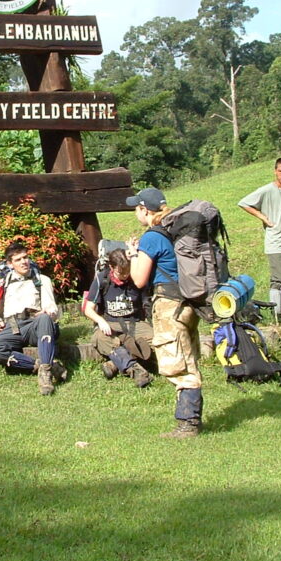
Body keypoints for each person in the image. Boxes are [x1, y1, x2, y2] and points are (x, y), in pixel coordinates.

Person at [126, 187, 204, 438]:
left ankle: (188, 423)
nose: (135, 213)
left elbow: (139, 279)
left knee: (178, 362)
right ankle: (190, 419)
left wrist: (133, 254)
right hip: (188, 303)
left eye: (136, 208)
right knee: (187, 357)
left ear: (144, 210)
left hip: (169, 304)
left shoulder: (152, 236)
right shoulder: (173, 230)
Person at [0, 241, 66, 395]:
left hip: (36, 324)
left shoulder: (42, 280)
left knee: (44, 319)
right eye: (18, 260)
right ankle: (40, 365)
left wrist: (48, 312)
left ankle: (45, 376)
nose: (24, 262)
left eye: (25, 257)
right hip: (13, 326)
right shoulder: (3, 284)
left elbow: (52, 308)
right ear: (10, 264)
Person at [237, 157, 281, 319]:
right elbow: (244, 203)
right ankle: (277, 314)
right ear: (275, 171)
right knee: (279, 278)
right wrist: (263, 217)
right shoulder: (267, 190)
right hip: (275, 243)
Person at [83, 248, 153, 388]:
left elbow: (147, 304)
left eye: (127, 271)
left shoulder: (136, 277)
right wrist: (101, 321)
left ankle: (114, 364)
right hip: (111, 323)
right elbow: (88, 309)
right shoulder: (102, 278)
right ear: (111, 267)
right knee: (100, 338)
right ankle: (136, 371)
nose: (125, 275)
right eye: (121, 272)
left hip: (135, 323)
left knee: (157, 341)